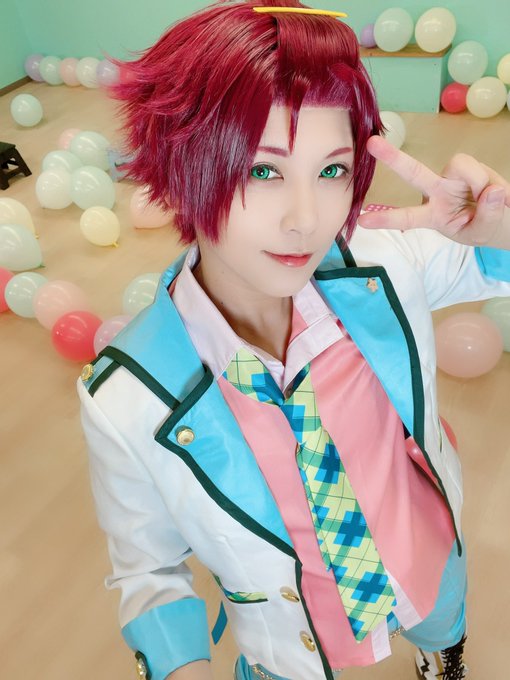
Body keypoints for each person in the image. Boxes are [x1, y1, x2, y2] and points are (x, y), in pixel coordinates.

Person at [78, 2, 510, 679]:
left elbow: (495, 263)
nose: (307, 220)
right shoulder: (126, 396)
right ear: (183, 166)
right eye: (262, 170)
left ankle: (441, 653)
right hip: (291, 642)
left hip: (424, 557)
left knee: (443, 621)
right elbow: (149, 571)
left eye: (332, 171)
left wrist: (504, 230)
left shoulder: (382, 263)